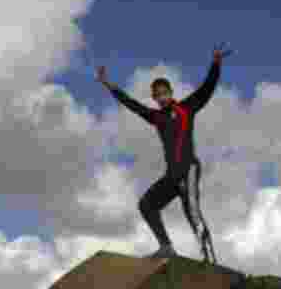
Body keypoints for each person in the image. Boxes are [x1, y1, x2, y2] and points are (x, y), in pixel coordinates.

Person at [98, 45, 230, 261]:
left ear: (171, 92)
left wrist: (216, 64)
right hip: (171, 176)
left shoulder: (187, 108)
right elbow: (132, 105)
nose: (161, 98)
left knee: (193, 214)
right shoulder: (156, 117)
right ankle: (166, 247)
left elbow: (207, 88)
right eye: (157, 96)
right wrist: (109, 85)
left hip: (188, 169)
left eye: (165, 93)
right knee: (146, 205)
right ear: (154, 98)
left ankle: (210, 260)